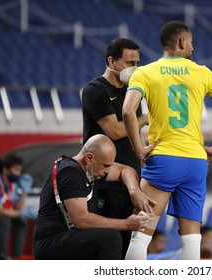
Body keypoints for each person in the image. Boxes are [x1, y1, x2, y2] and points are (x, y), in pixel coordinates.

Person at [122, 21, 212, 260]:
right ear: (182, 42)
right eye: (191, 42)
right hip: (196, 162)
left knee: (141, 234)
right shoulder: (203, 72)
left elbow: (127, 112)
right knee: (191, 239)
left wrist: (138, 148)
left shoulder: (145, 72)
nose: (192, 47)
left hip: (164, 160)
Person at [32, 134, 154, 260]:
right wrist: (126, 224)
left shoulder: (92, 168)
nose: (107, 171)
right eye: (106, 165)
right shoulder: (70, 172)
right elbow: (81, 220)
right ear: (89, 158)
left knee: (112, 234)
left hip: (69, 238)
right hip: (51, 242)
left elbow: (126, 170)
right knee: (110, 238)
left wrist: (134, 190)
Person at [81, 38, 150, 258]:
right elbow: (116, 131)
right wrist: (145, 118)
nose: (135, 68)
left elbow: (133, 136)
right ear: (112, 61)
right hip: (105, 178)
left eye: (137, 63)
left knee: (131, 242)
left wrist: (142, 155)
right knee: (106, 243)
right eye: (130, 63)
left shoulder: (132, 91)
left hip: (131, 179)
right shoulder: (95, 90)